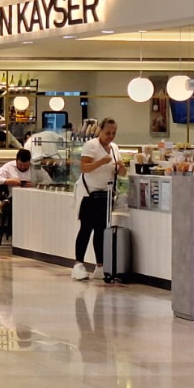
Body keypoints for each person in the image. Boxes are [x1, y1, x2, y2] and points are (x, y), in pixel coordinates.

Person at [73, 118, 126, 282]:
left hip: (106, 194)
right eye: (107, 133)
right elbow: (84, 168)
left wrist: (121, 167)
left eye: (114, 133)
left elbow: (122, 173)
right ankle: (79, 264)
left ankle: (100, 266)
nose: (111, 136)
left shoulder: (115, 148)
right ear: (100, 131)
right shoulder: (91, 146)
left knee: (101, 231)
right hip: (89, 194)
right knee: (86, 229)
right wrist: (102, 161)